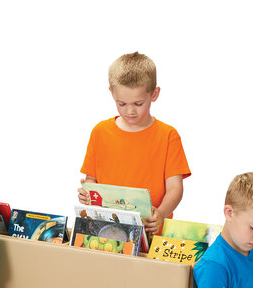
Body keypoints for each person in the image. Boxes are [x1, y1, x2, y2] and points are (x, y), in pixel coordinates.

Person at [79, 51, 191, 236]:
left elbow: (175, 188)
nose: (130, 111)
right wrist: (88, 194)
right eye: (121, 104)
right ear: (111, 93)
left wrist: (161, 213)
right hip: (107, 231)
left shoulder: (168, 136)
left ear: (154, 94)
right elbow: (92, 179)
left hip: (151, 232)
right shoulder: (100, 132)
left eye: (138, 103)